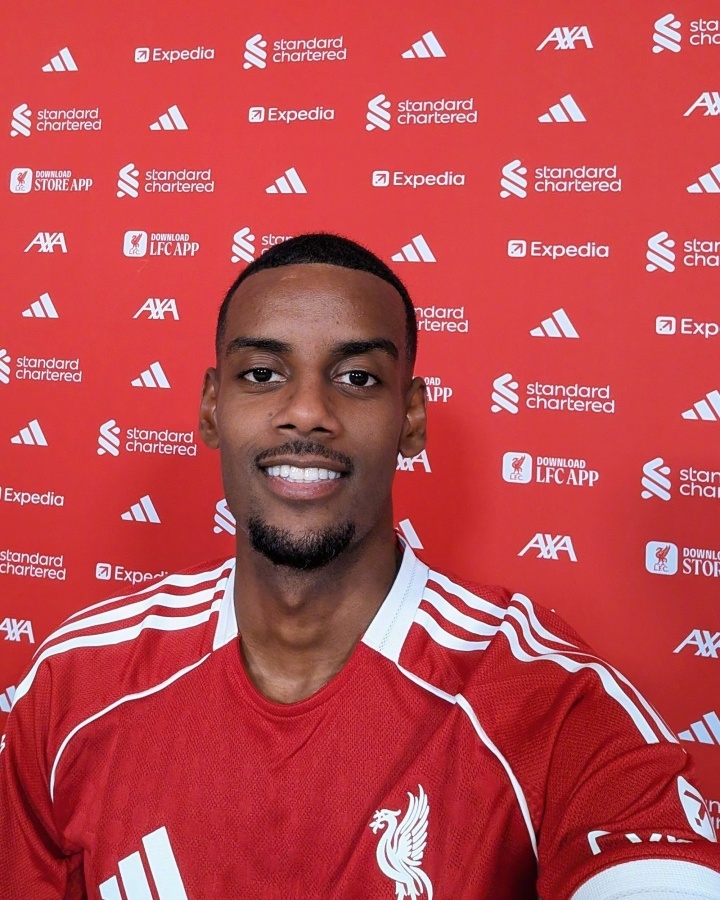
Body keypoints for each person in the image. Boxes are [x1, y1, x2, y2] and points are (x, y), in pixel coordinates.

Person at [1, 234, 718, 899]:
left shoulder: (546, 701)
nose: (307, 411)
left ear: (412, 417)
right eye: (262, 374)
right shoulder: (76, 682)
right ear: (212, 407)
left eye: (357, 377)